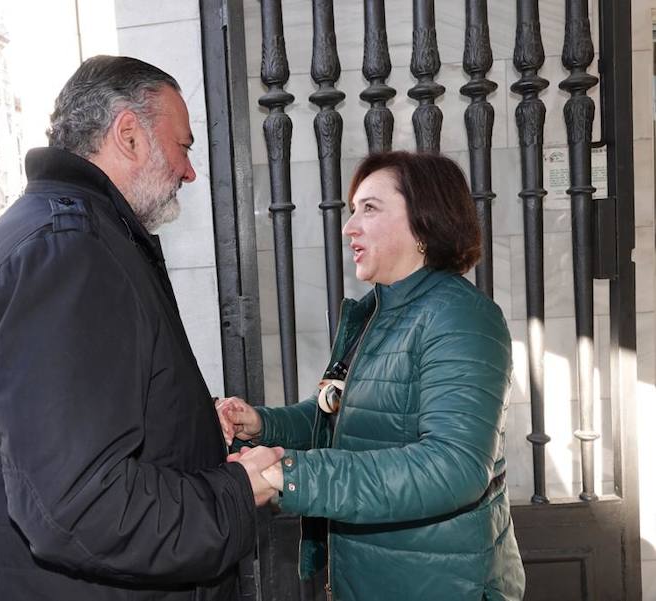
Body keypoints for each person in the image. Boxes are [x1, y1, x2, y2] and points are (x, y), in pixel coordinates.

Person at [0, 55, 282, 601]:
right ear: (128, 135)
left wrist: (188, 430)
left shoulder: (64, 233)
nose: (189, 170)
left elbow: (78, 430)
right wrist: (234, 493)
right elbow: (81, 504)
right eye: (183, 146)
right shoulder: (67, 251)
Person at [218, 151, 526, 600]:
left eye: (370, 208)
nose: (349, 227)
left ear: (424, 222)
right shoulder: (375, 314)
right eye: (352, 210)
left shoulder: (461, 317)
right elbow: (342, 421)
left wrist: (291, 475)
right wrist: (262, 424)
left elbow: (454, 467)